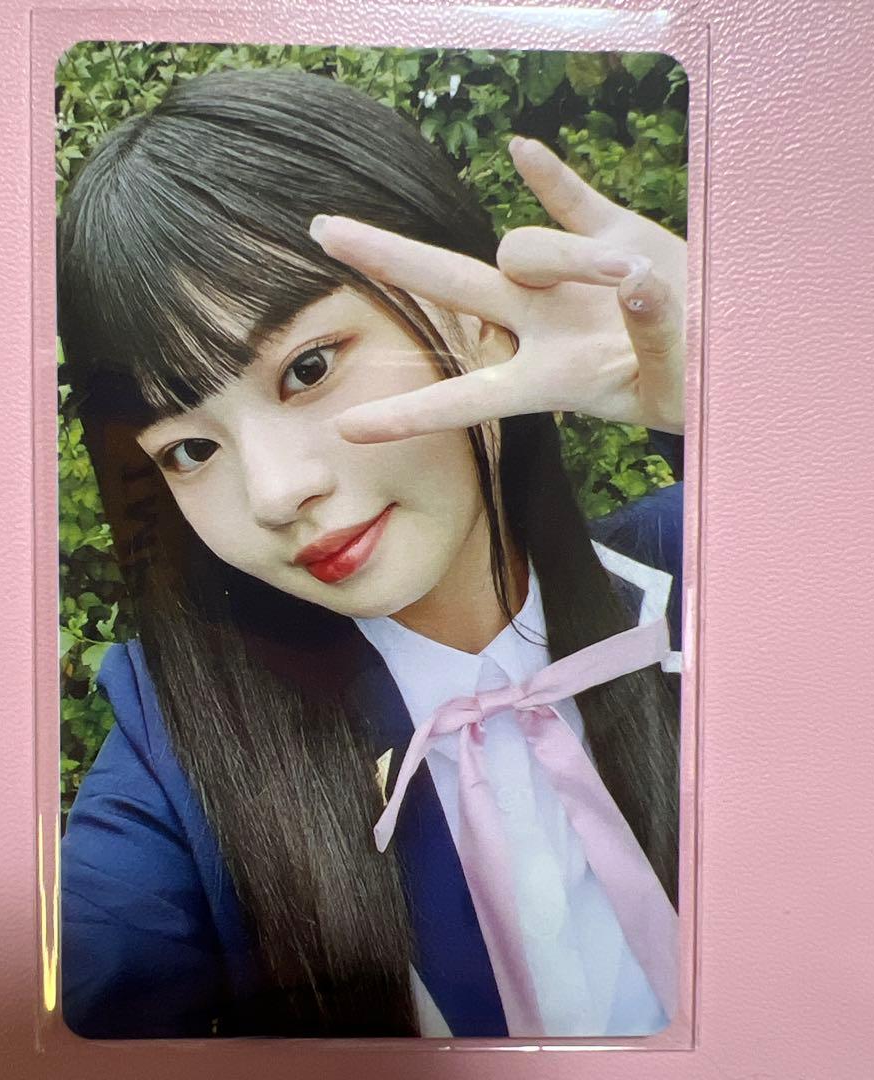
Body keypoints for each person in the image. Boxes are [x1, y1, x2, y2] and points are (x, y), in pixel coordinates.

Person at [56, 66, 687, 1040]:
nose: (275, 493)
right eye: (189, 449)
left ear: (477, 320)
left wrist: (751, 395)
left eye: (308, 368)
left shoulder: (715, 563)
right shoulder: (177, 744)